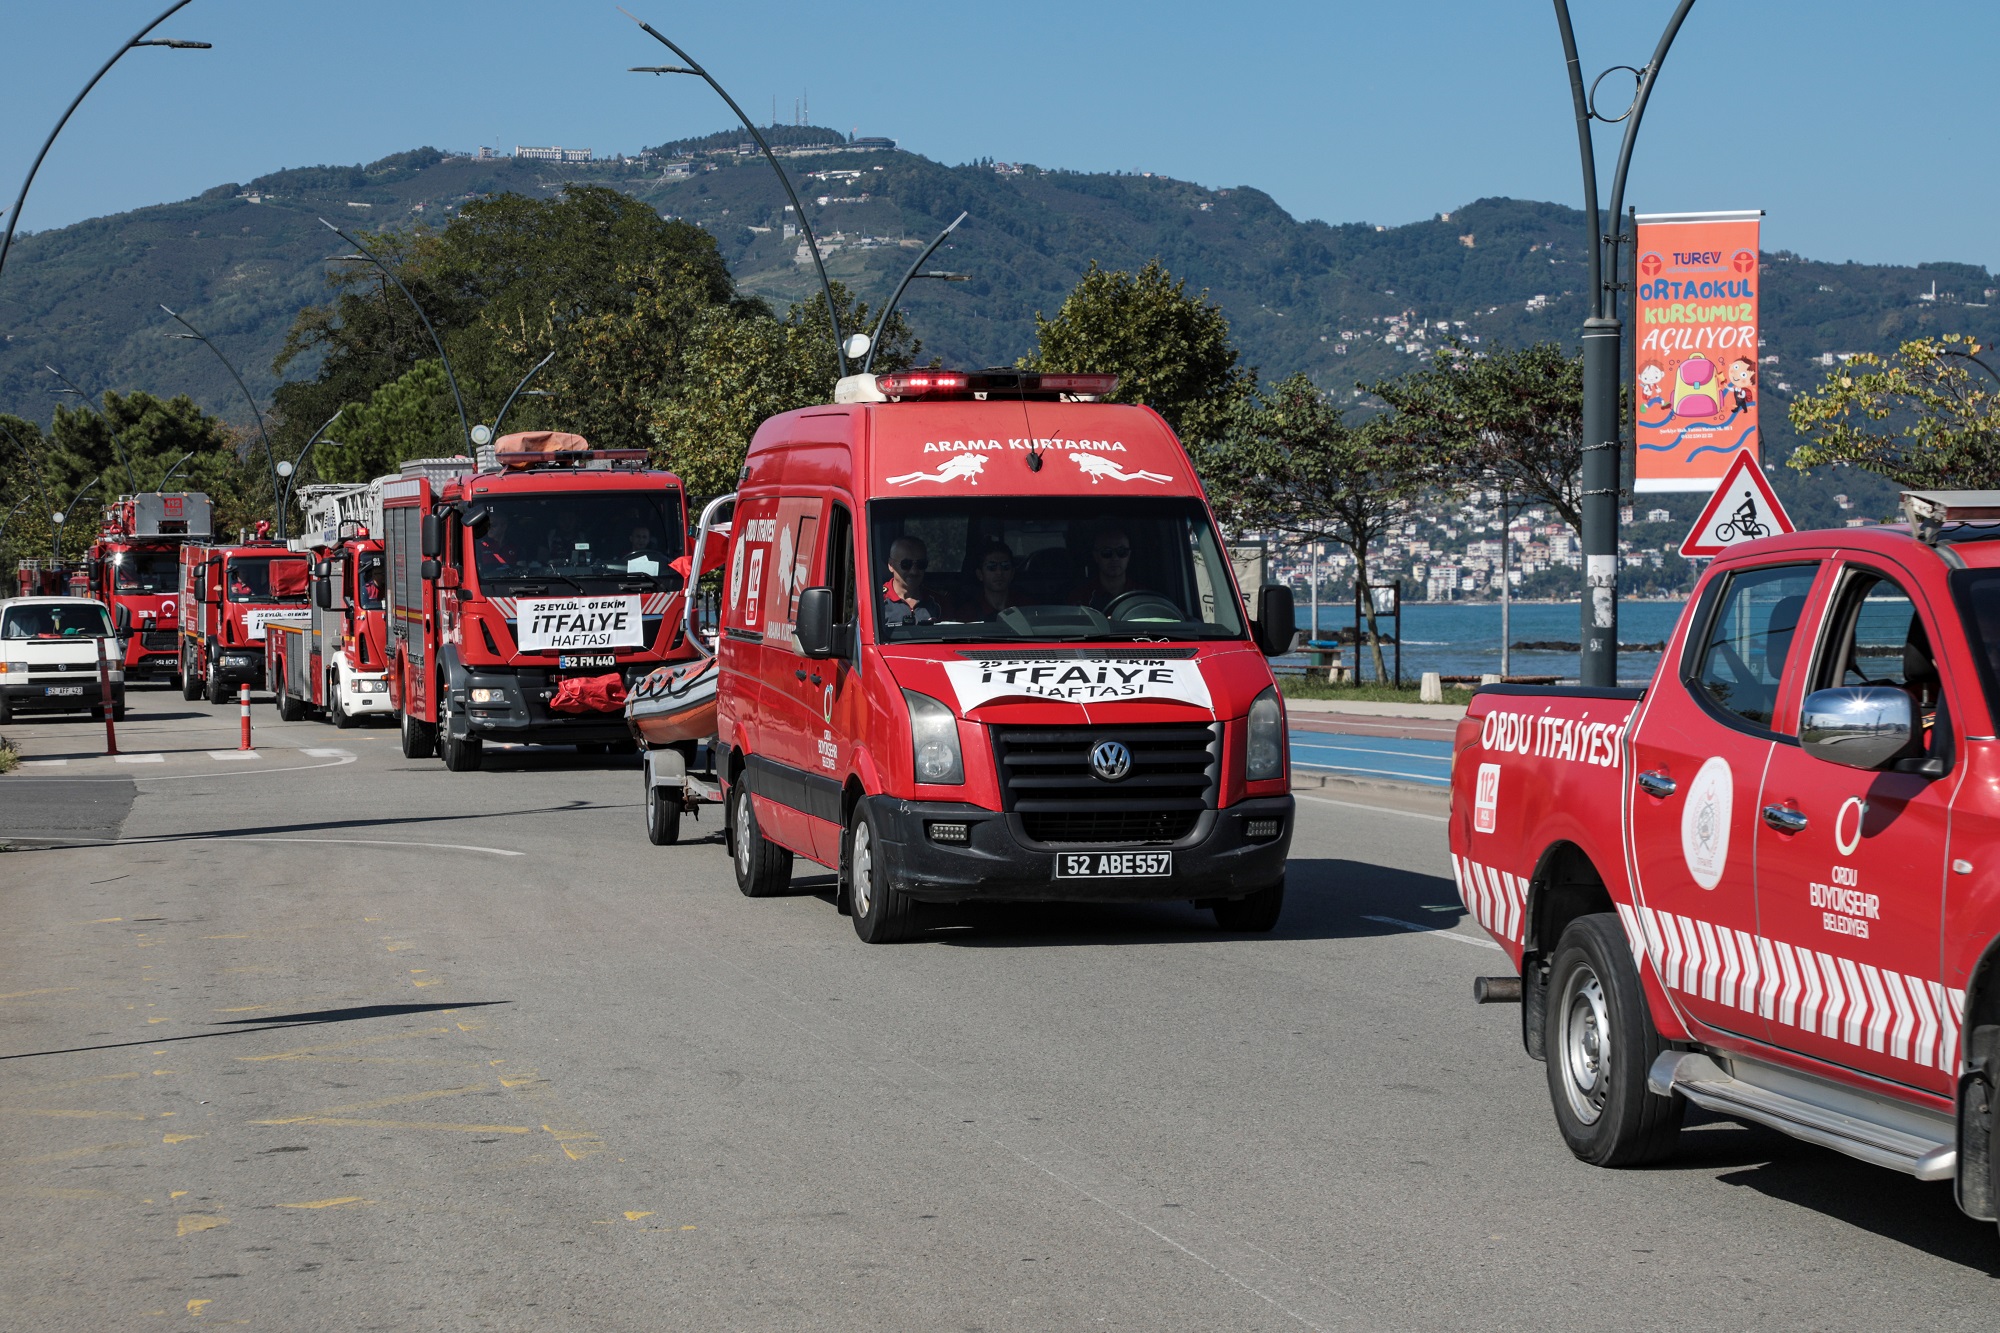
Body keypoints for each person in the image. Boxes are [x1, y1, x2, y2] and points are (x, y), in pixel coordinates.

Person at [1072, 526, 1144, 612]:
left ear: (1129, 555)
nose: (1115, 558)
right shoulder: (1081, 598)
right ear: (1096, 556)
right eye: (1106, 552)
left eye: (1121, 551)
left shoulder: (1143, 595)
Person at [880, 535, 943, 629]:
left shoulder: (937, 602)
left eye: (921, 564)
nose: (914, 571)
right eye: (906, 564)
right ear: (891, 565)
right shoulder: (878, 601)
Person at [962, 539, 1021, 618]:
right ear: (980, 574)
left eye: (1005, 567)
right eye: (992, 567)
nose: (999, 572)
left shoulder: (1026, 608)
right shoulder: (968, 612)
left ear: (1012, 573)